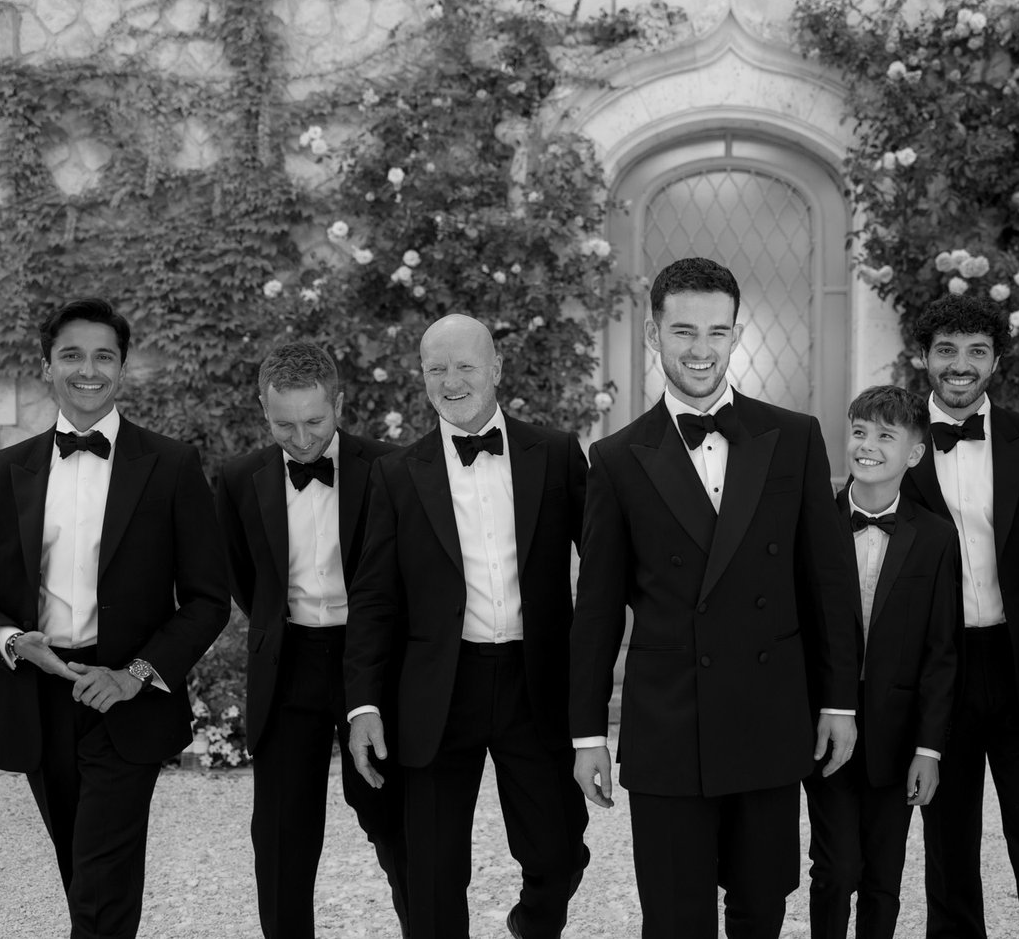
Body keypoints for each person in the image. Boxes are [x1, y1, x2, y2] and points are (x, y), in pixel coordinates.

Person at [569, 256, 863, 939]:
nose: (701, 351)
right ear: (653, 332)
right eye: (684, 332)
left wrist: (839, 700)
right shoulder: (616, 457)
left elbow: (826, 581)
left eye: (717, 332)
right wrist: (588, 733)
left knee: (761, 910)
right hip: (670, 721)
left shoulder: (792, 437)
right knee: (675, 919)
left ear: (736, 335)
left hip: (767, 711)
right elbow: (598, 609)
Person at [0, 297, 231, 939]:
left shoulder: (172, 466)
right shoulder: (1, 472)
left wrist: (134, 674)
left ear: (122, 369)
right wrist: (12, 641)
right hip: (35, 696)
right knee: (84, 872)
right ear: (47, 367)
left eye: (103, 356)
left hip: (126, 698)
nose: (87, 369)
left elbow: (207, 598)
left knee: (102, 877)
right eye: (71, 355)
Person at [344, 313, 589, 939]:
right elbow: (374, 599)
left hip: (535, 683)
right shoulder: (396, 474)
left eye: (465, 367)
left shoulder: (557, 454)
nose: (451, 382)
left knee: (558, 852)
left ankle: (531, 925)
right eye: (436, 369)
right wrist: (364, 703)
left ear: (496, 370)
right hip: (437, 687)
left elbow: (607, 563)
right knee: (430, 869)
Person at [903, 294, 1019, 939]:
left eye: (976, 351)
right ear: (922, 358)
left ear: (996, 361)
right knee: (948, 847)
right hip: (936, 674)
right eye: (947, 351)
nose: (961, 365)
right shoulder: (895, 443)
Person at [215, 342, 407, 938]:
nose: (300, 440)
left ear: (340, 404)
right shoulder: (239, 478)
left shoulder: (392, 469)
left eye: (314, 422)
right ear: (263, 413)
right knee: (280, 840)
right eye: (283, 425)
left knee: (397, 826)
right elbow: (244, 578)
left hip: (371, 665)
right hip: (289, 665)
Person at [805, 385, 959, 939]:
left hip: (898, 733)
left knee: (884, 875)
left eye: (886, 436)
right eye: (860, 432)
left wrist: (929, 748)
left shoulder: (937, 538)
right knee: (836, 867)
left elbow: (942, 652)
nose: (867, 446)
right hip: (826, 722)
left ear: (914, 453)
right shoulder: (812, 522)